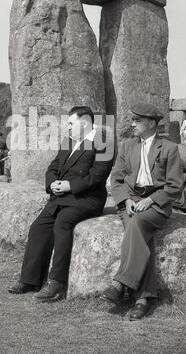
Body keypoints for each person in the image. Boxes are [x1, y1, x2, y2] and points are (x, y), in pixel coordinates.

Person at [8, 106, 113, 301]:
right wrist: (52, 184)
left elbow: (97, 176)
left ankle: (56, 282)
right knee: (38, 227)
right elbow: (53, 166)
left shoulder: (104, 141)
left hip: (87, 198)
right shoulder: (69, 141)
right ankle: (30, 280)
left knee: (63, 223)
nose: (68, 127)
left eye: (71, 123)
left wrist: (69, 186)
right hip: (61, 196)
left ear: (85, 122)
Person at [101, 102, 183, 320]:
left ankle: (120, 283)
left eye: (137, 120)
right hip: (130, 200)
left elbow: (175, 186)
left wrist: (152, 199)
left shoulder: (170, 148)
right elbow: (116, 179)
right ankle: (143, 298)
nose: (133, 123)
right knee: (140, 235)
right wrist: (125, 200)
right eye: (133, 119)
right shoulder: (127, 146)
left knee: (137, 223)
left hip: (156, 204)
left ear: (152, 123)